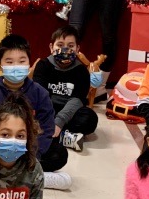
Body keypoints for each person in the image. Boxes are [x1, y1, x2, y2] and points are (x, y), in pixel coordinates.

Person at [0, 34, 71, 188]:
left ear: (29, 63)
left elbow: (47, 128)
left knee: (58, 154)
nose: (16, 66)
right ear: (0, 65)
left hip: (28, 149)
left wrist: (31, 154)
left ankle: (24, 173)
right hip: (0, 147)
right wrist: (1, 150)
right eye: (9, 62)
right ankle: (33, 177)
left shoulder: (40, 93)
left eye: (21, 61)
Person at [32, 24, 99, 153]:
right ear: (51, 47)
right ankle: (64, 137)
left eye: (70, 46)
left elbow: (77, 100)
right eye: (60, 45)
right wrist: (49, 119)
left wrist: (59, 122)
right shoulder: (43, 65)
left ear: (77, 49)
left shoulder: (81, 71)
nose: (65, 49)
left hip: (69, 112)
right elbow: (41, 96)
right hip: (47, 109)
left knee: (89, 118)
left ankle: (52, 134)